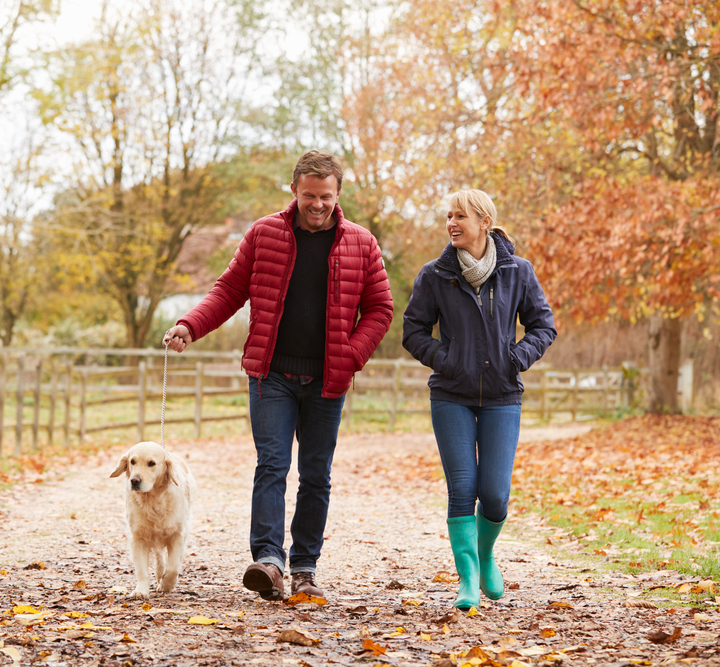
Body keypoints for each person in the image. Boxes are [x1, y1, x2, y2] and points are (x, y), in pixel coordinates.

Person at [163, 150, 393, 601]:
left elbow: (381, 309)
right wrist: (190, 325)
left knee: (315, 474)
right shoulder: (264, 233)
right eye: (309, 195)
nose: (317, 204)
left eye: (326, 196)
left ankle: (305, 565)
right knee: (272, 464)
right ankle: (269, 562)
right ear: (294, 190)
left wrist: (351, 354)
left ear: (338, 194)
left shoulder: (361, 243)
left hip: (328, 379)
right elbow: (228, 290)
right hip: (271, 374)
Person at [402, 189, 556, 611]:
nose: (452, 223)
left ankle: (486, 554)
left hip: (503, 395)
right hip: (451, 395)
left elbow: (543, 326)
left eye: (461, 216)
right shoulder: (434, 275)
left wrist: (516, 357)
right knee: (462, 488)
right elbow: (413, 331)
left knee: (495, 494)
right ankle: (468, 575)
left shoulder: (517, 272)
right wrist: (445, 360)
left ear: (484, 222)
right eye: (449, 216)